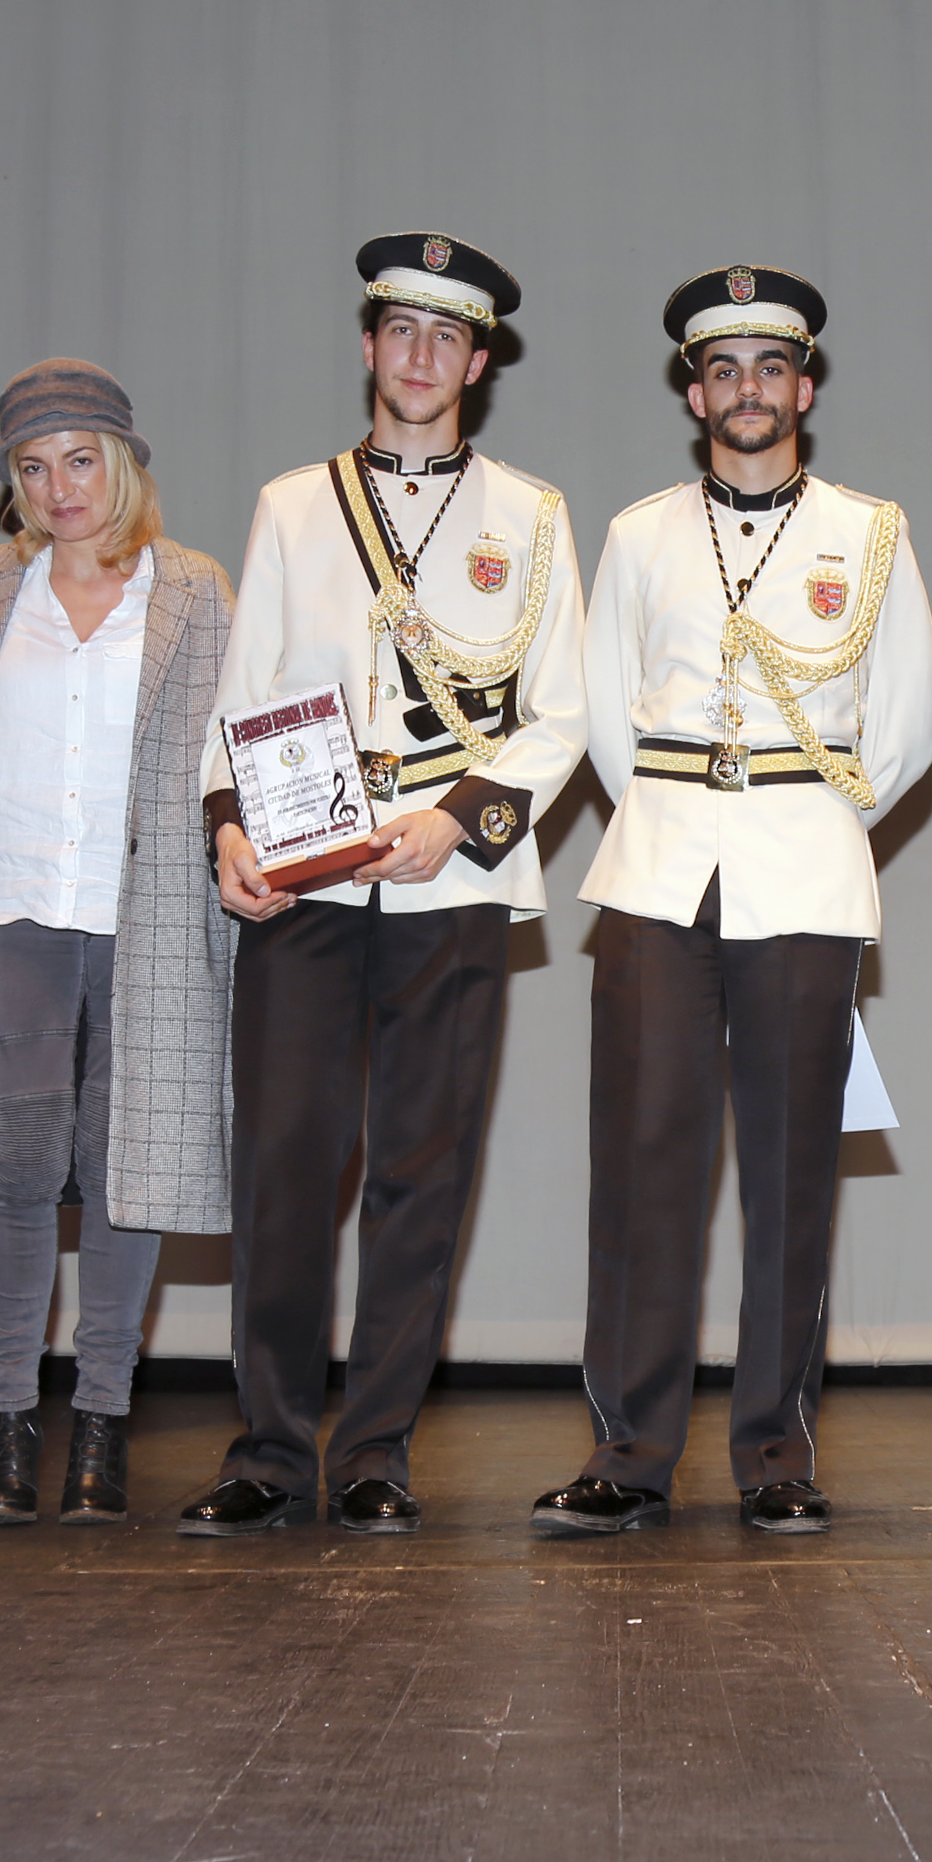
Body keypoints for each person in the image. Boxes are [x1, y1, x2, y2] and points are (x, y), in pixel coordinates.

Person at [186, 232, 590, 1537]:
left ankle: (374, 1451)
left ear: (477, 363)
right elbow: (242, 691)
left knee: (423, 1172)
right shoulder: (292, 504)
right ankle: (268, 1448)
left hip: (447, 884)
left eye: (447, 337)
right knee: (285, 1168)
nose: (421, 356)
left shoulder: (530, 515)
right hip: (304, 878)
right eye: (400, 331)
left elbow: (564, 713)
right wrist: (227, 827)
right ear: (369, 347)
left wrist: (459, 820)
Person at [532, 268, 932, 1538]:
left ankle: (774, 1450)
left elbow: (905, 725)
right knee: (642, 1165)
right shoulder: (639, 533)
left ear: (803, 388)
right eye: (723, 370)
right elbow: (608, 719)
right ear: (694, 392)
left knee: (789, 1171)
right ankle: (629, 1449)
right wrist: (680, 813)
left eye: (770, 368)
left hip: (804, 869)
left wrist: (806, 819)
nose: (747, 390)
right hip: (658, 866)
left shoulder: (870, 532)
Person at [0, 361, 237, 1528]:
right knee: (19, 1160)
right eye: (33, 465)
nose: (59, 486)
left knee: (125, 1165)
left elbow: (228, 744)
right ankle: (8, 1424)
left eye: (79, 459)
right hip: (15, 900)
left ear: (121, 464)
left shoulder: (193, 587)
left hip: (147, 910)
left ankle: (101, 1422)